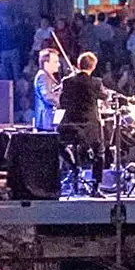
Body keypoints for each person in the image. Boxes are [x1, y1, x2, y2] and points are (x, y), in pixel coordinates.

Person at [58, 51, 105, 196]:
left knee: (57, 143)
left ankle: (74, 167)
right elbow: (103, 96)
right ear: (93, 66)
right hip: (89, 128)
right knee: (100, 153)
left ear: (79, 65)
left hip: (70, 127)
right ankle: (95, 186)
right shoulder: (96, 83)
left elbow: (62, 103)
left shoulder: (67, 82)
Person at [33, 49, 62, 131]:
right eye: (55, 62)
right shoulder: (43, 76)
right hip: (45, 122)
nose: (59, 64)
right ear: (46, 63)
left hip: (49, 121)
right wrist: (63, 103)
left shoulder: (47, 76)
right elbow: (48, 97)